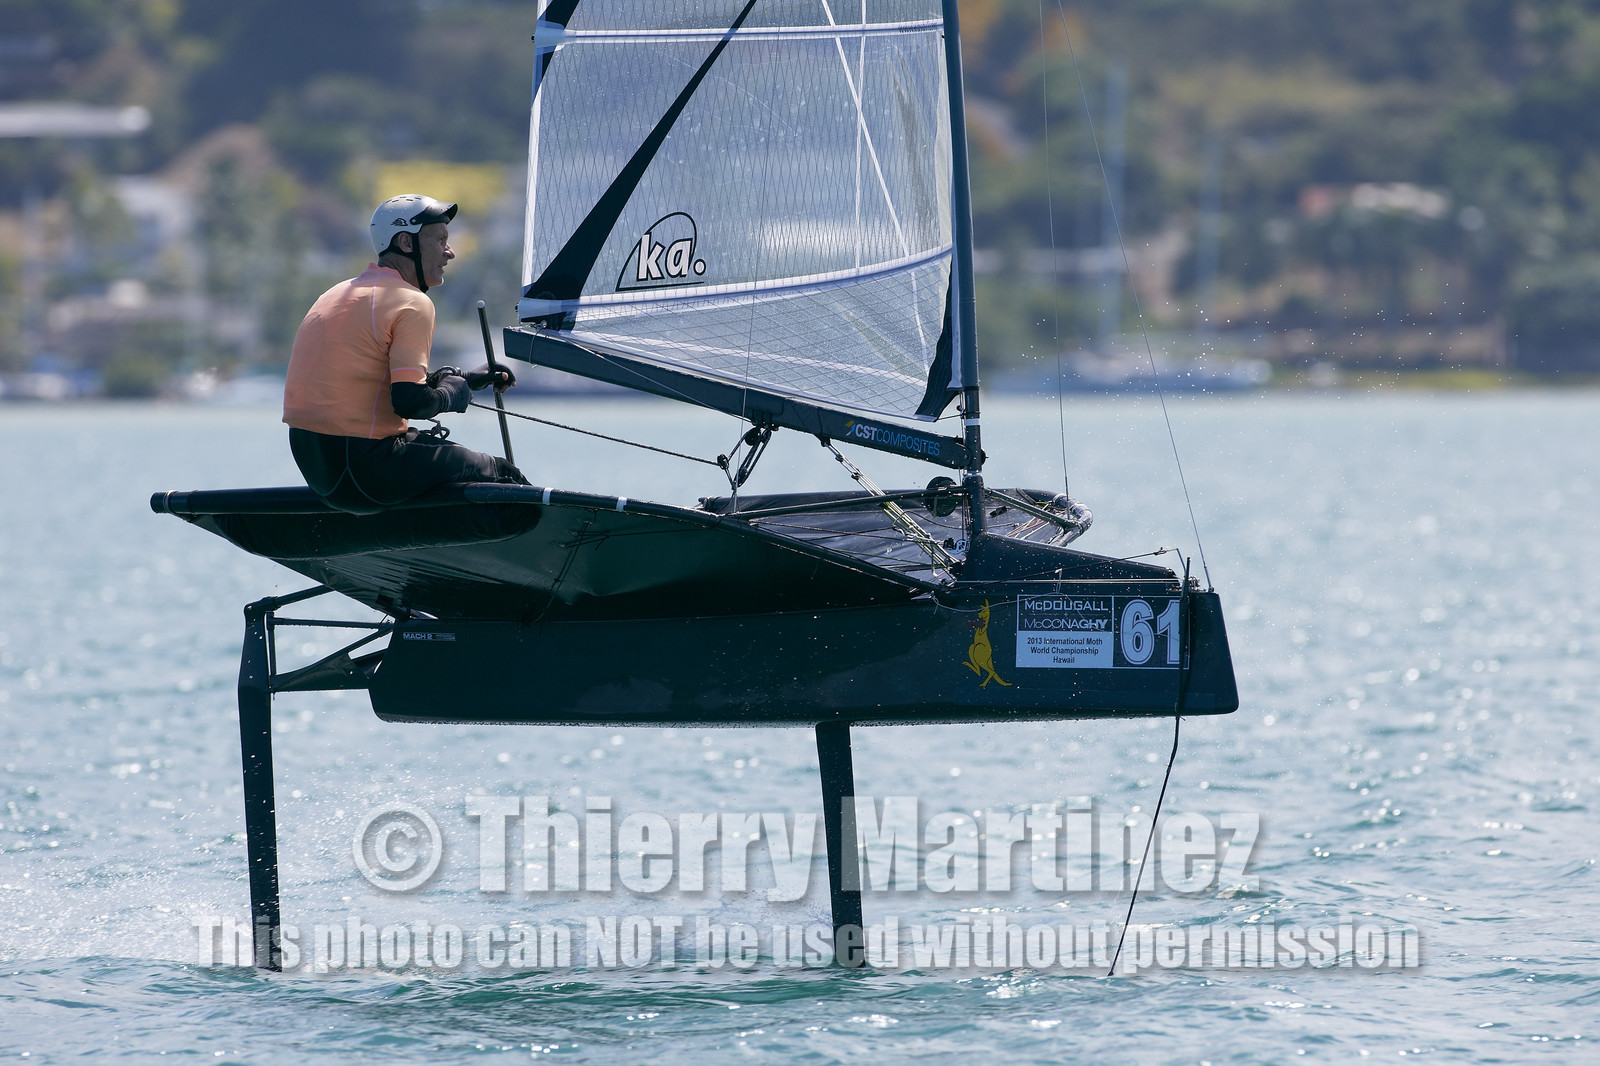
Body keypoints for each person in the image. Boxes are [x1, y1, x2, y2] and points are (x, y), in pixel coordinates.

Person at [282, 193, 528, 513]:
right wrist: (453, 396)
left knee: (436, 453)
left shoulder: (335, 294)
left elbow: (371, 378)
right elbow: (411, 401)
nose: (449, 252)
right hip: (365, 471)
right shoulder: (412, 302)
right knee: (499, 471)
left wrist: (464, 379)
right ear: (406, 243)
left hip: (318, 470)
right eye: (440, 240)